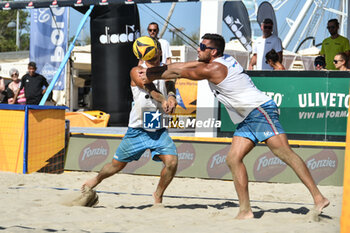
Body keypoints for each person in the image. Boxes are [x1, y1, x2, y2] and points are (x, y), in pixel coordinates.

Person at [140, 33, 329, 219]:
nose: (199, 49)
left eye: (203, 47)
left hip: (259, 111)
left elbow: (181, 72)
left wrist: (149, 73)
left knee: (285, 154)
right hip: (247, 117)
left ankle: (318, 197)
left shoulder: (215, 69)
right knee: (233, 158)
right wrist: (156, 70)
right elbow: (182, 65)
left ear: (213, 52)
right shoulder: (221, 59)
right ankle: (245, 210)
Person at [82, 39, 178, 205]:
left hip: (158, 128)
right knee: (116, 165)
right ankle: (96, 180)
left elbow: (170, 84)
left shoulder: (165, 69)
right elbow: (150, 88)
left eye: (154, 54)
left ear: (160, 52)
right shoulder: (137, 70)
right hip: (138, 128)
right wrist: (163, 101)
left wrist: (171, 97)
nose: (152, 58)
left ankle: (158, 195)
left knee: (172, 162)